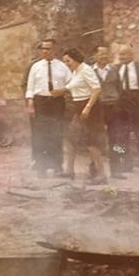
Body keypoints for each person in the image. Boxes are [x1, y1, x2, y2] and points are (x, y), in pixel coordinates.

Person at [25, 38, 70, 178]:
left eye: (48, 48)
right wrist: (30, 104)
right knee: (40, 136)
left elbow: (71, 84)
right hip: (40, 103)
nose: (45, 51)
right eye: (43, 48)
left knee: (56, 134)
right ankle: (41, 167)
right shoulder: (35, 66)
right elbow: (30, 87)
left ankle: (57, 166)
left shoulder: (62, 66)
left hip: (57, 103)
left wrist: (62, 91)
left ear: (54, 49)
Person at [60, 47, 106, 184]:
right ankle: (69, 171)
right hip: (78, 107)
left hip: (90, 108)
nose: (66, 64)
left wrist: (87, 107)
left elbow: (96, 89)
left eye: (68, 61)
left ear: (75, 59)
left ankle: (101, 175)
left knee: (91, 142)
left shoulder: (86, 69)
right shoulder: (75, 72)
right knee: (70, 138)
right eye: (64, 61)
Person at [92, 45, 127, 180]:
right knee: (95, 138)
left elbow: (119, 88)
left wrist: (116, 100)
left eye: (106, 54)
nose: (104, 56)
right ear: (95, 56)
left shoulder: (114, 70)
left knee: (115, 138)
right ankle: (95, 169)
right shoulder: (90, 71)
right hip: (97, 108)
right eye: (101, 54)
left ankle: (116, 170)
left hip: (113, 108)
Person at [114, 44, 139, 173]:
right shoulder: (116, 69)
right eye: (120, 54)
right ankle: (126, 163)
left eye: (124, 54)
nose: (121, 57)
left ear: (131, 54)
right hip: (121, 102)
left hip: (138, 102)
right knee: (122, 134)